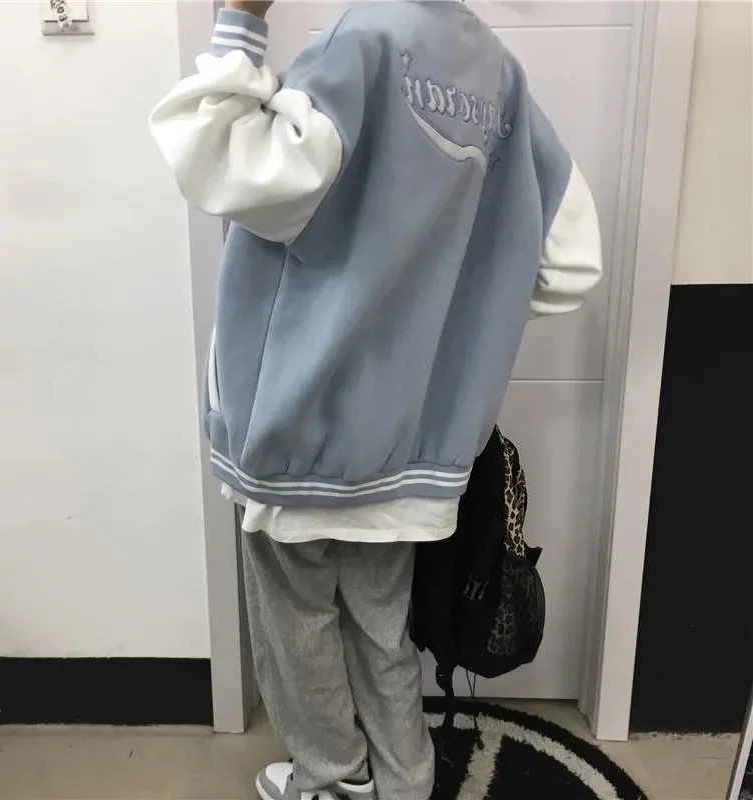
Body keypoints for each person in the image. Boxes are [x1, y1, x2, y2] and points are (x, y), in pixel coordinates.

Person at [150, 1, 602, 798]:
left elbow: (221, 165)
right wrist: (459, 327)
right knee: (381, 623)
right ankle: (405, 777)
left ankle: (332, 779)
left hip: (300, 428)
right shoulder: (500, 78)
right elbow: (568, 263)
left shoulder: (357, 46)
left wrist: (239, 22)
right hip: (417, 440)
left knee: (297, 621)